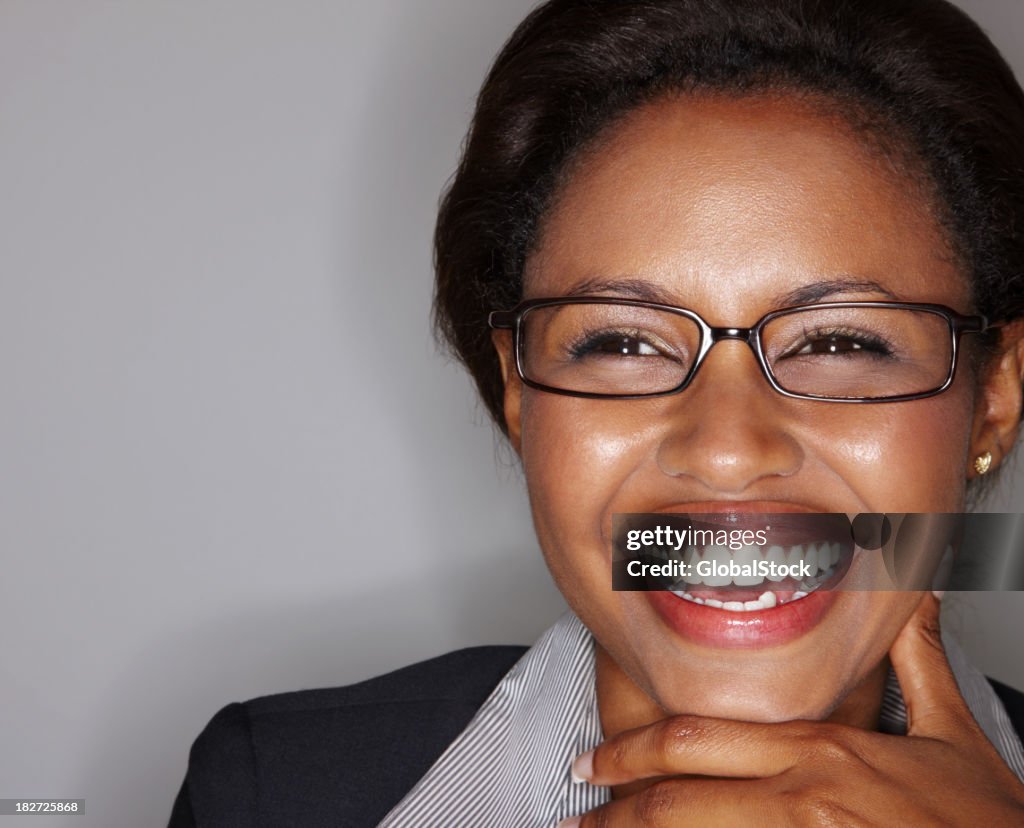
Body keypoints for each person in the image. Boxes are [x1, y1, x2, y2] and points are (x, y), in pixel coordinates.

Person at [168, 0, 1024, 824]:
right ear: (516, 386)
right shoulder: (269, 792)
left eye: (840, 344)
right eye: (621, 342)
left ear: (995, 393)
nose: (726, 450)